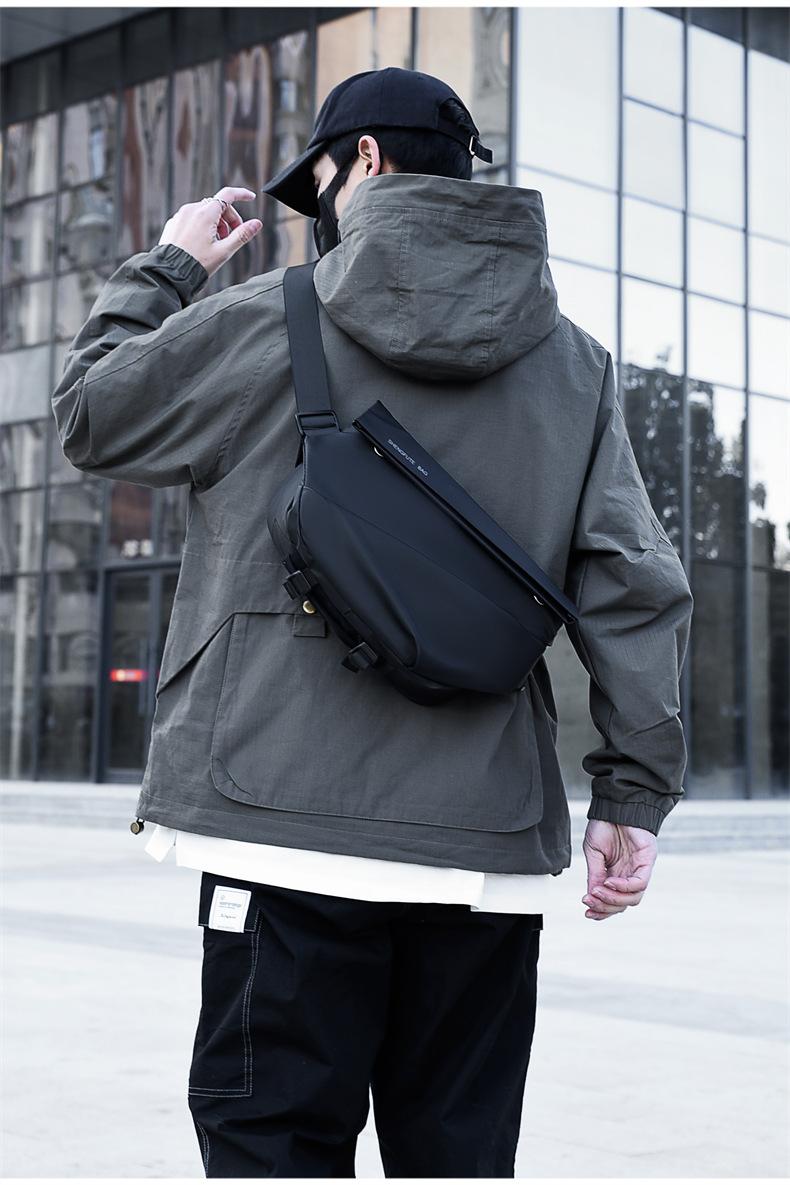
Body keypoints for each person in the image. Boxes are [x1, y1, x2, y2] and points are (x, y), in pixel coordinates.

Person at [51, 67, 693, 1179]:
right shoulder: (574, 365)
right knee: (457, 1158)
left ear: (366, 159)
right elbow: (633, 580)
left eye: (317, 182)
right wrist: (632, 795)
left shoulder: (265, 319)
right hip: (479, 843)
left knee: (273, 1150)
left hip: (272, 817)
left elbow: (90, 415)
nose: (318, 210)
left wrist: (171, 265)